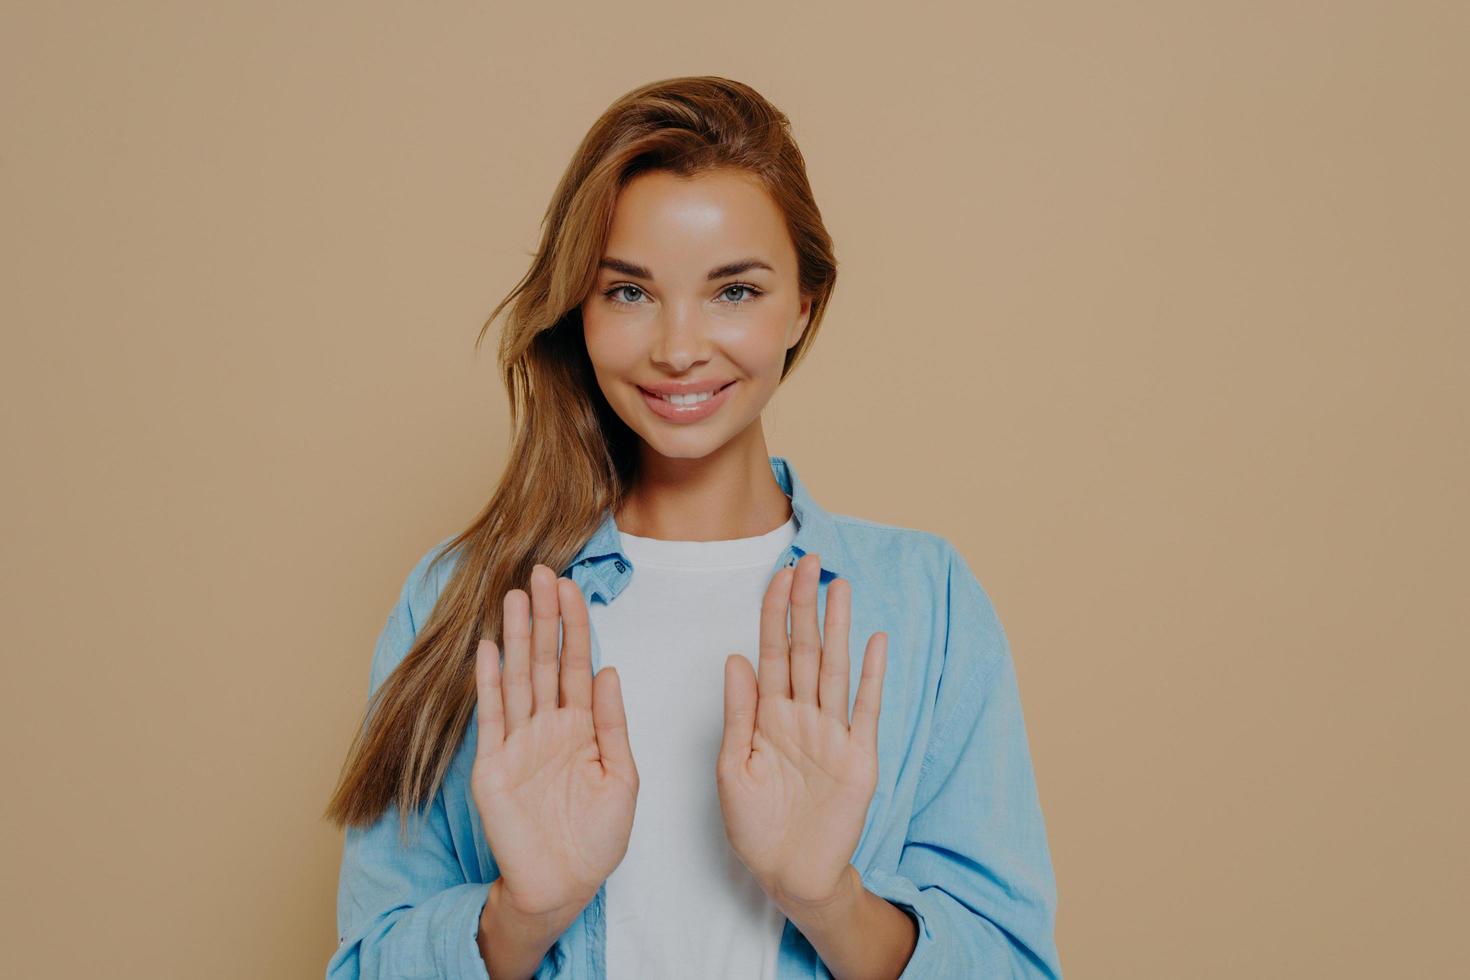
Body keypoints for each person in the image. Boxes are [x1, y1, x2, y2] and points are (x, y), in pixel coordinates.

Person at [323, 75, 1061, 980]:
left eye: (734, 292)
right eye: (629, 293)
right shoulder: (462, 602)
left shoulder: (927, 601)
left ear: (803, 306)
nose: (678, 346)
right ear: (579, 313)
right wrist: (522, 916)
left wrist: (828, 900)